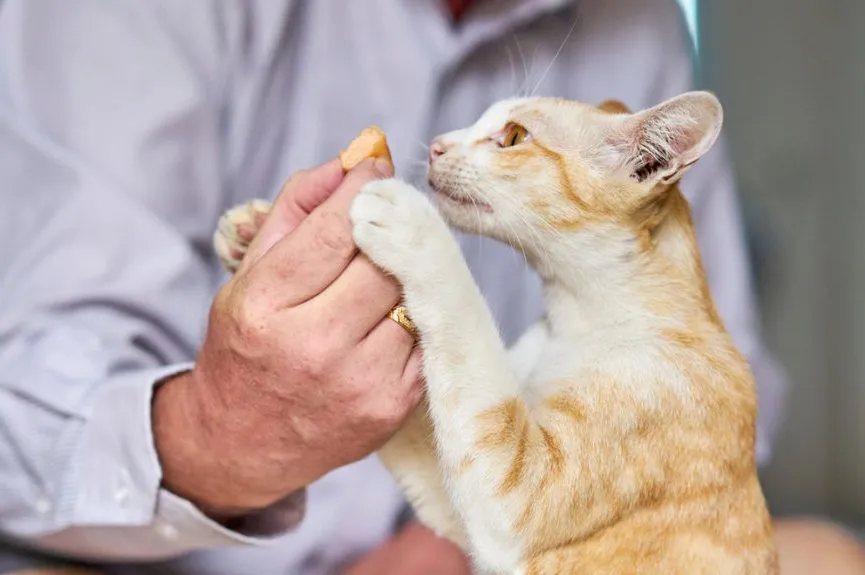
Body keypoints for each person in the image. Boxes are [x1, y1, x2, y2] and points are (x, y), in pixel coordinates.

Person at [0, 0, 858, 573]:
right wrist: (219, 433)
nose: (448, 146)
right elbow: (28, 398)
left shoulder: (632, 29)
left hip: (494, 527)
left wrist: (452, 544)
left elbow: (715, 406)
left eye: (507, 138)